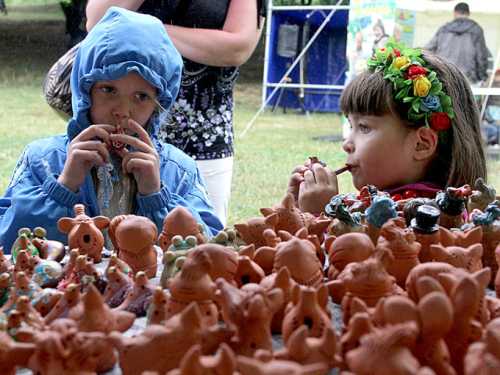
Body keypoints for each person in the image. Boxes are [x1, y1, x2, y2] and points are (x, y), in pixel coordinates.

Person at [0, 7, 223, 253]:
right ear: (85, 91)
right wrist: (62, 189)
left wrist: (157, 197)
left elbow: (207, 253)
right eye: (108, 90)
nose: (122, 111)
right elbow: (7, 244)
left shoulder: (179, 171)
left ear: (159, 105)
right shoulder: (42, 160)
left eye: (141, 96)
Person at [85, 0, 266, 227]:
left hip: (204, 136)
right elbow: (98, 22)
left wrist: (145, 33)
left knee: (196, 242)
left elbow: (237, 46)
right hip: (120, 127)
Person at [288, 42, 487, 215]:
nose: (347, 144)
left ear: (421, 144)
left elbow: (354, 258)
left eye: (364, 127)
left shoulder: (421, 217)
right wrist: (293, 209)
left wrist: (318, 215)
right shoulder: (380, 203)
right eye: (351, 126)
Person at [425, 2, 489, 86]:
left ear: (455, 13)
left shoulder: (444, 29)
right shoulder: (476, 30)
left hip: (445, 75)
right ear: (468, 13)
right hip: (467, 78)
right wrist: (483, 77)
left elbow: (428, 50)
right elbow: (481, 56)